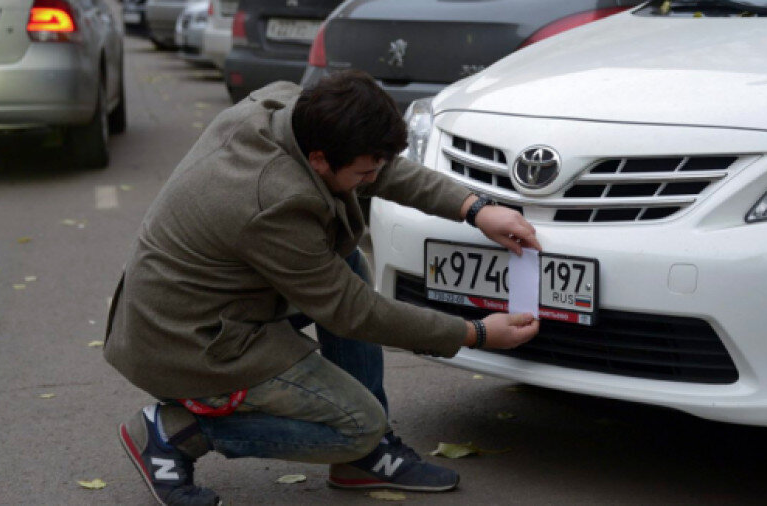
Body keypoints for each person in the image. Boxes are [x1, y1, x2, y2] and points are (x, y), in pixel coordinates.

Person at [104, 70, 541, 506]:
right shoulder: (274, 202)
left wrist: (475, 208)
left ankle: (362, 461)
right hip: (187, 341)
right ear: (318, 161)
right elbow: (354, 312)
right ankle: (173, 432)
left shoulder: (288, 108)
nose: (370, 179)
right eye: (361, 173)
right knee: (357, 426)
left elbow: (378, 169)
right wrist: (476, 334)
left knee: (342, 254)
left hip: (210, 296)